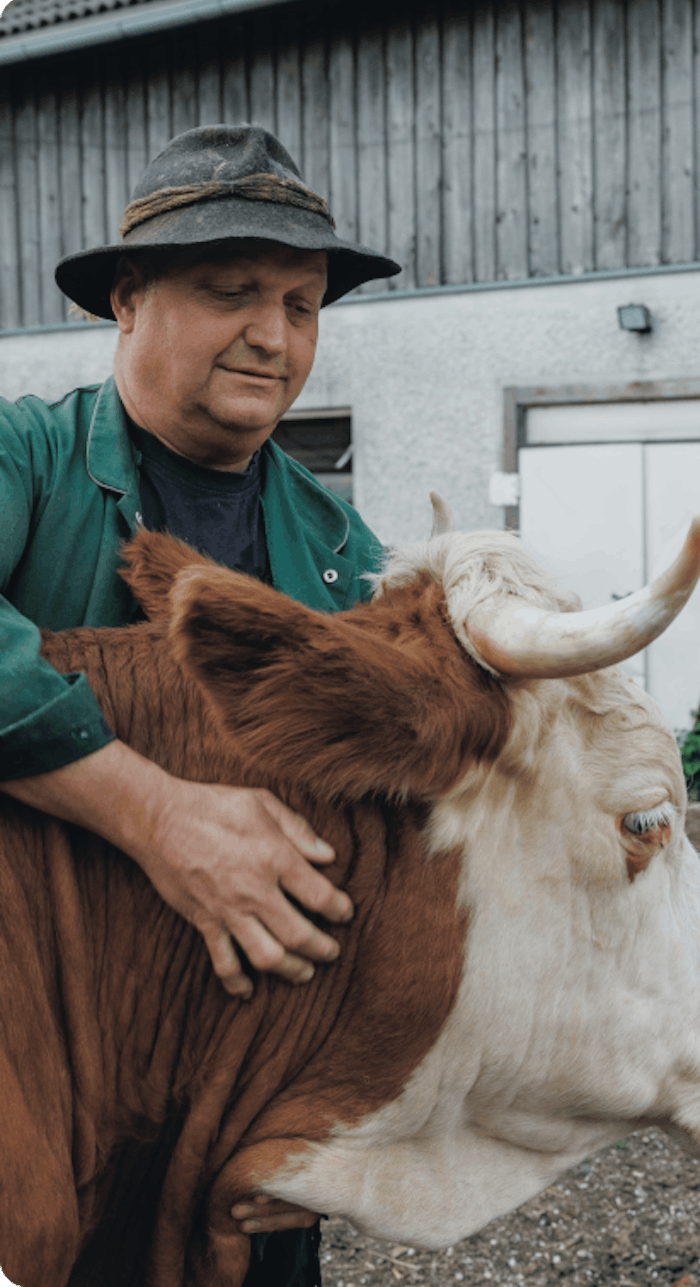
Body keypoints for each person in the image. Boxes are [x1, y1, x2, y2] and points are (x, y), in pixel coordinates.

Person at [0, 123, 401, 1287]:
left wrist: (334, 1099)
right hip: (33, 1067)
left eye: (303, 302)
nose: (274, 337)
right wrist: (156, 815)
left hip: (240, 1085)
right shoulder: (26, 458)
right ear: (127, 298)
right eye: (232, 291)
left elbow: (389, 841)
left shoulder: (340, 551)